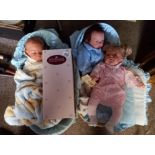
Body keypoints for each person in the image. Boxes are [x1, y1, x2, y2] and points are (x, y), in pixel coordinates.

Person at [87, 45, 145, 132]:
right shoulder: (101, 66)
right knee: (91, 103)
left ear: (121, 60)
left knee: (118, 110)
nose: (110, 56)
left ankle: (111, 124)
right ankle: (92, 117)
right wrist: (94, 77)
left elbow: (132, 78)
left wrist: (138, 83)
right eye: (108, 55)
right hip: (100, 90)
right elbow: (95, 72)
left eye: (115, 55)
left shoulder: (124, 71)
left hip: (116, 94)